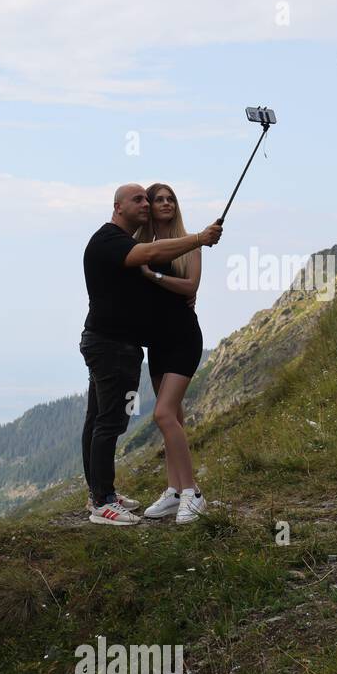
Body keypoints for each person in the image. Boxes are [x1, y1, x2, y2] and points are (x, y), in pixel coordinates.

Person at [80, 184, 221, 526]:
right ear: (118, 207)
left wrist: (164, 274)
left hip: (158, 342)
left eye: (157, 198)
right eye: (143, 199)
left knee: (142, 416)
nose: (151, 204)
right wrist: (200, 238)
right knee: (109, 420)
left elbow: (185, 286)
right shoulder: (117, 243)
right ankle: (104, 499)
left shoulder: (144, 247)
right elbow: (145, 257)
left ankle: (182, 491)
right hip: (119, 345)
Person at [133, 183, 206, 523]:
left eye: (170, 199)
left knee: (162, 414)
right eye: (158, 199)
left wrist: (154, 275)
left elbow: (190, 286)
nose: (165, 203)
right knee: (174, 418)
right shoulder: (140, 247)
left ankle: (193, 492)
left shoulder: (191, 242)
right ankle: (174, 492)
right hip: (157, 341)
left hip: (183, 337)